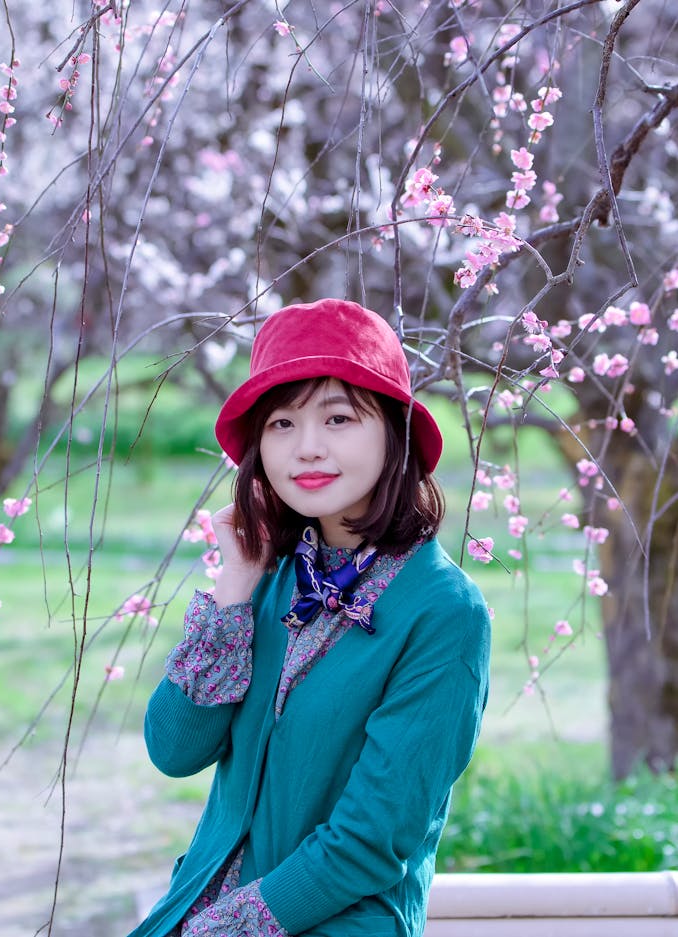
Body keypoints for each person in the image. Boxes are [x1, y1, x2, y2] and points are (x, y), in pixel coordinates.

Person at [128, 298, 491, 937]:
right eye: (282, 425)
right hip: (198, 908)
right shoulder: (270, 578)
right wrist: (234, 588)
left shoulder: (443, 611)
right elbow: (175, 750)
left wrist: (219, 931)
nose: (308, 449)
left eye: (339, 417)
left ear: (394, 435)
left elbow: (372, 839)